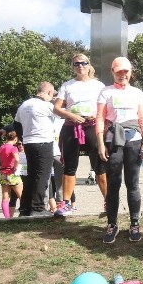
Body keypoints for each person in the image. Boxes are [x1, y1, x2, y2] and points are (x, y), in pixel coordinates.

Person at [96, 57, 143, 244]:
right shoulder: (105, 92)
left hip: (134, 140)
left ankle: (134, 223)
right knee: (114, 184)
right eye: (119, 72)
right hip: (113, 140)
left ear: (130, 73)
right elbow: (100, 119)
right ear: (113, 72)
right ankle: (112, 224)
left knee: (133, 183)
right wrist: (101, 143)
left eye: (125, 72)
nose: (122, 75)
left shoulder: (137, 92)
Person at [52, 53, 107, 217]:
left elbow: (105, 107)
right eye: (76, 64)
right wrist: (71, 115)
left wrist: (97, 117)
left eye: (83, 63)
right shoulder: (67, 85)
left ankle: (108, 201)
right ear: (73, 67)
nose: (80, 66)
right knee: (69, 166)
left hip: (92, 126)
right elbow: (56, 108)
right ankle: (66, 203)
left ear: (89, 65)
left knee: (100, 165)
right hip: (71, 126)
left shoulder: (99, 85)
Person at [14, 82, 58, 218]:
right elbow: (63, 114)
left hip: (29, 143)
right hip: (43, 142)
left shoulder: (24, 105)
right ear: (49, 92)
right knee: (42, 175)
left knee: (31, 175)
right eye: (53, 94)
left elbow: (16, 124)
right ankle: (38, 207)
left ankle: (25, 208)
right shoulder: (46, 106)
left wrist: (23, 138)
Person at [0, 131, 23, 219]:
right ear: (15, 139)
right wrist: (15, 167)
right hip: (12, 174)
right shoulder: (13, 148)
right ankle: (26, 213)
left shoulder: (2, 147)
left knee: (5, 197)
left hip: (3, 173)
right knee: (21, 195)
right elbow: (17, 159)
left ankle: (7, 217)